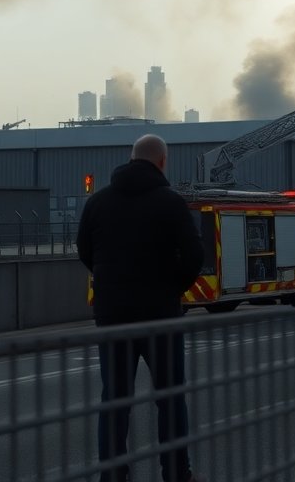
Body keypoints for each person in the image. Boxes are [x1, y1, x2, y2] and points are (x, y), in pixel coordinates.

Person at [77, 134, 204, 482]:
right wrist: (170, 289)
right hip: (160, 315)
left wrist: (111, 287)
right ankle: (177, 473)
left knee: (115, 400)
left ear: (130, 159)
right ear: (162, 162)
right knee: (170, 397)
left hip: (112, 316)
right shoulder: (170, 202)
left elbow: (84, 251)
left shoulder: (98, 203)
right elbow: (195, 256)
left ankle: (113, 476)